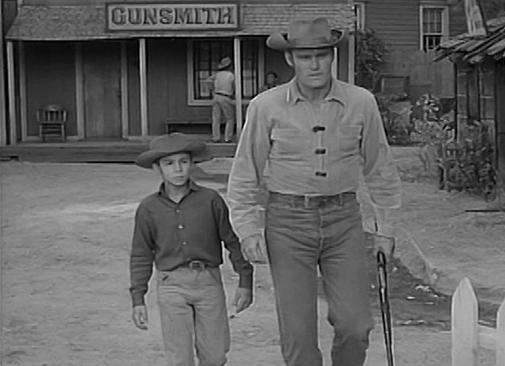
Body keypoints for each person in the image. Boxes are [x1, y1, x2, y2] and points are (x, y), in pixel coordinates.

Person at [226, 17, 402, 366]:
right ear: (290, 59)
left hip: (344, 221)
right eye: (305, 56)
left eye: (322, 54)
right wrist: (246, 229)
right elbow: (245, 172)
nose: (315, 64)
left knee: (355, 325)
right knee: (299, 335)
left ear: (332, 56)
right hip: (288, 224)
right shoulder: (266, 106)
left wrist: (386, 229)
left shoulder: (361, 102)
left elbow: (380, 169)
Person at [129, 133, 253, 366]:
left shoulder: (211, 200)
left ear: (192, 164)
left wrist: (245, 280)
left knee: (215, 355)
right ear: (157, 168)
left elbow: (232, 241)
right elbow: (141, 254)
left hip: (208, 280)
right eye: (169, 163)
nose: (178, 170)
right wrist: (138, 297)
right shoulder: (149, 208)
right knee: (179, 357)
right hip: (171, 283)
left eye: (184, 162)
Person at [206, 57, 236, 143]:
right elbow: (234, 86)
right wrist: (234, 93)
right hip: (226, 96)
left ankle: (216, 137)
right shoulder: (231, 75)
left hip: (216, 96)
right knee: (230, 118)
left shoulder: (217, 75)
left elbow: (208, 81)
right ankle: (227, 138)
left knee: (216, 118)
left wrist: (212, 90)